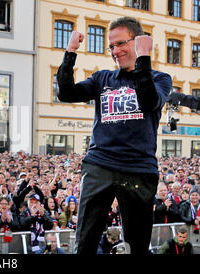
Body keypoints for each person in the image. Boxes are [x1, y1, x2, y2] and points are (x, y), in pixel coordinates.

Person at [57, 16, 172, 254]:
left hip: (138, 168)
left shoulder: (160, 79)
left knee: (136, 245)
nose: (115, 51)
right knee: (85, 242)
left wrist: (143, 59)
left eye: (121, 44)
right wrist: (70, 52)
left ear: (139, 42)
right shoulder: (103, 78)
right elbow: (66, 93)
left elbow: (149, 101)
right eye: (111, 46)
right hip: (101, 164)